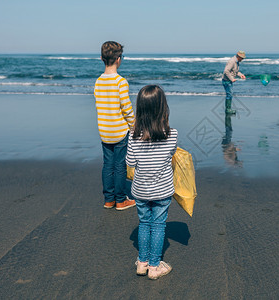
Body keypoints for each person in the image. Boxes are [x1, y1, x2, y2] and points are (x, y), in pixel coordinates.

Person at [126, 85, 178, 280]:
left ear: (140, 109)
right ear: (163, 108)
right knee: (158, 225)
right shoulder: (172, 134)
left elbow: (130, 162)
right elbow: (170, 156)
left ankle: (142, 262)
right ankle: (154, 266)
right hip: (163, 190)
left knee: (144, 222)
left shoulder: (133, 135)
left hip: (140, 189)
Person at [94, 41, 136, 210]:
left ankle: (108, 199)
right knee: (120, 166)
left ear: (101, 58)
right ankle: (120, 199)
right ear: (119, 59)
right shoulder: (121, 82)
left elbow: (100, 106)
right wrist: (134, 125)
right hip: (119, 131)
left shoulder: (98, 82)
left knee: (107, 165)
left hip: (104, 131)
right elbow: (126, 108)